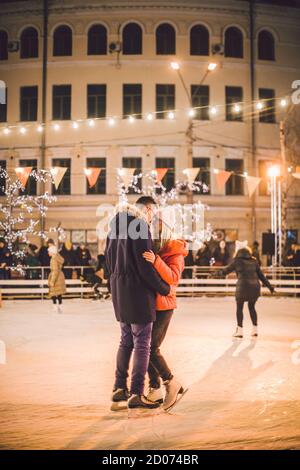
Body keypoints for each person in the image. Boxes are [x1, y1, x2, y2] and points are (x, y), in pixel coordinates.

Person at [105, 196, 170, 412]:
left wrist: (113, 289)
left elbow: (108, 263)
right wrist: (163, 287)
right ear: (148, 209)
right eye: (153, 213)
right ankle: (136, 393)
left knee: (125, 342)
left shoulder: (114, 226)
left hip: (119, 293)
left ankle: (119, 388)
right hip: (139, 294)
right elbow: (144, 266)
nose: (152, 218)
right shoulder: (140, 225)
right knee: (142, 343)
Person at [142, 207, 188, 411]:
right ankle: (155, 388)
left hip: (165, 305)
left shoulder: (175, 251)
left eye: (159, 225)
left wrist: (156, 261)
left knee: (151, 347)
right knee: (146, 347)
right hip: (152, 303)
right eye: (154, 226)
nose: (155, 229)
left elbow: (173, 278)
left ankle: (171, 382)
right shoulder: (158, 248)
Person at [217, 246, 275, 338]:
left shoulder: (237, 261)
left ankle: (239, 330)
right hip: (255, 288)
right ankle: (255, 329)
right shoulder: (254, 261)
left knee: (239, 308)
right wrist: (270, 287)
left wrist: (215, 274)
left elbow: (226, 271)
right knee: (251, 307)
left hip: (243, 287)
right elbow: (261, 276)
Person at [48, 245, 66, 314]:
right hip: (60, 276)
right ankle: (60, 307)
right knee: (58, 293)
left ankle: (55, 307)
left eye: (49, 251)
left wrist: (52, 281)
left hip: (56, 277)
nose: (48, 253)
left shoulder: (54, 259)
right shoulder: (57, 257)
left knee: (53, 292)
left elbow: (55, 270)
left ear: (52, 252)